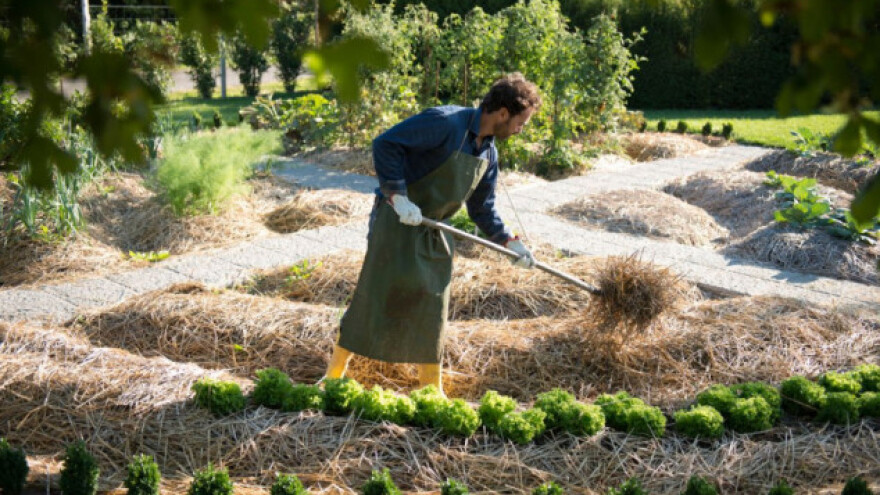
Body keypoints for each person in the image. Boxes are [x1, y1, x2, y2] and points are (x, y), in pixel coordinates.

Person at [321, 72, 542, 395]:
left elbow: (482, 209)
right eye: (521, 121)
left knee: (433, 306)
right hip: (397, 220)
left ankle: (430, 390)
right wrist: (397, 196)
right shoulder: (445, 123)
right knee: (374, 296)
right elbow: (386, 144)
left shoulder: (489, 153)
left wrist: (509, 243)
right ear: (503, 113)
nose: (522, 129)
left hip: (434, 229)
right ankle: (333, 376)